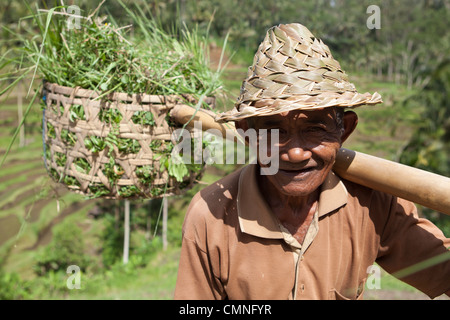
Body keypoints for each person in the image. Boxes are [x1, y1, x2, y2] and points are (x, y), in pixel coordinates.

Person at [174, 23, 450, 300]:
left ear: (345, 130)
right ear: (248, 134)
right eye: (275, 131)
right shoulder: (210, 215)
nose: (295, 153)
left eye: (315, 130)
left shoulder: (374, 203)